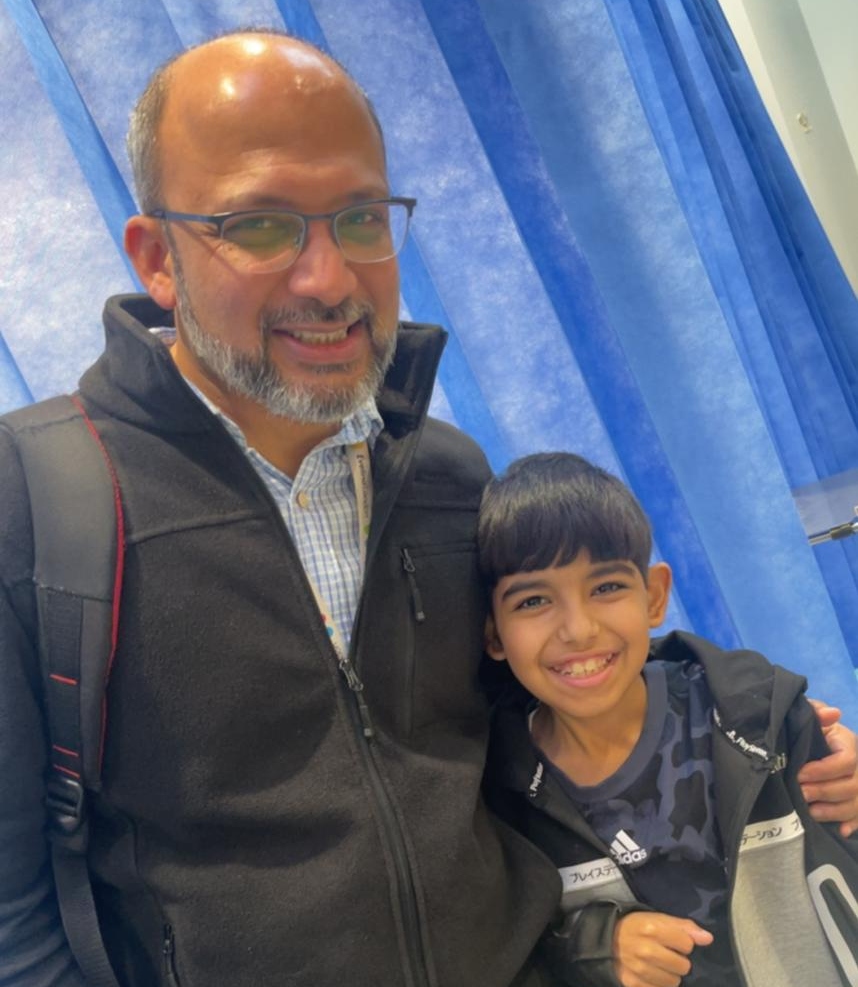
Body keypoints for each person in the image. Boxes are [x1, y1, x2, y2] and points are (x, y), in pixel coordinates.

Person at [0, 28, 856, 987]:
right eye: (261, 225)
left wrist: (771, 730)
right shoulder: (37, 499)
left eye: (361, 218)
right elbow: (13, 921)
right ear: (158, 257)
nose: (328, 279)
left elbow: (550, 688)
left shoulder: (444, 475)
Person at [479, 452, 858, 987]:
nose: (578, 628)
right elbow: (505, 946)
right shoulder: (501, 798)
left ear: (654, 596)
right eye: (533, 600)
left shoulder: (755, 720)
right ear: (493, 634)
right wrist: (591, 947)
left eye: (606, 587)